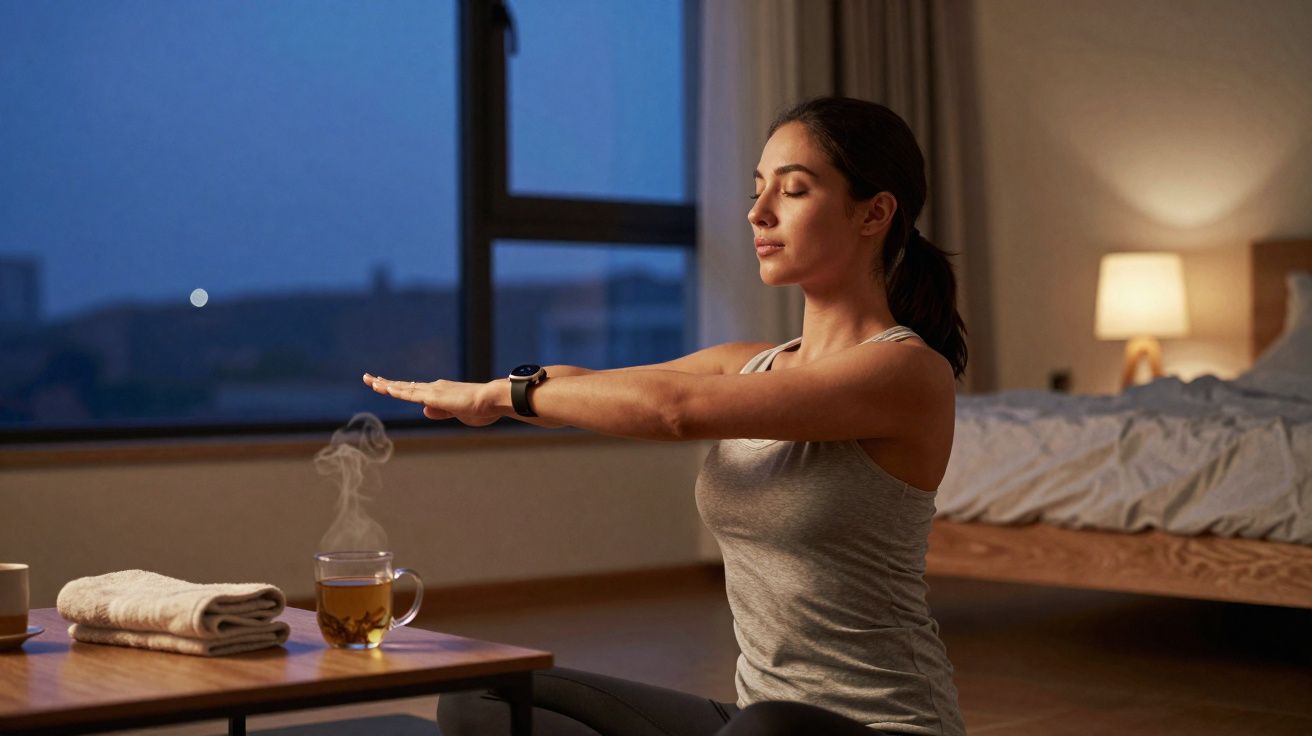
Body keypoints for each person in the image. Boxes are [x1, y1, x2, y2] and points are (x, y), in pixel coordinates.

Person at [364, 96, 968, 736]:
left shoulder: (905, 373)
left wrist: (498, 400)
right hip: (750, 720)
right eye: (758, 189)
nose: (757, 213)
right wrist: (485, 390)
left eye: (792, 191)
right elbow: (594, 386)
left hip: (882, 728)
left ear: (874, 212)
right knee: (485, 696)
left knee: (768, 732)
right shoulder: (750, 364)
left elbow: (674, 411)